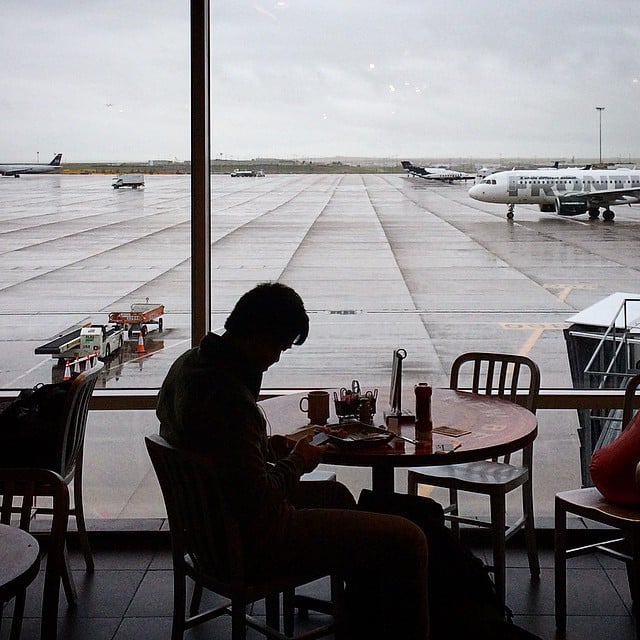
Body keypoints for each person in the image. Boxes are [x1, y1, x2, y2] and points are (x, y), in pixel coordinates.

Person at [156, 282, 429, 639]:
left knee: (340, 499)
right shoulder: (230, 399)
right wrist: (299, 460)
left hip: (211, 528)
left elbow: (211, 446)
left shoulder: (189, 367)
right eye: (278, 347)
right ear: (259, 335)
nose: (276, 359)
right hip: (255, 541)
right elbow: (258, 497)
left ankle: (363, 617)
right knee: (409, 538)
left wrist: (263, 447)